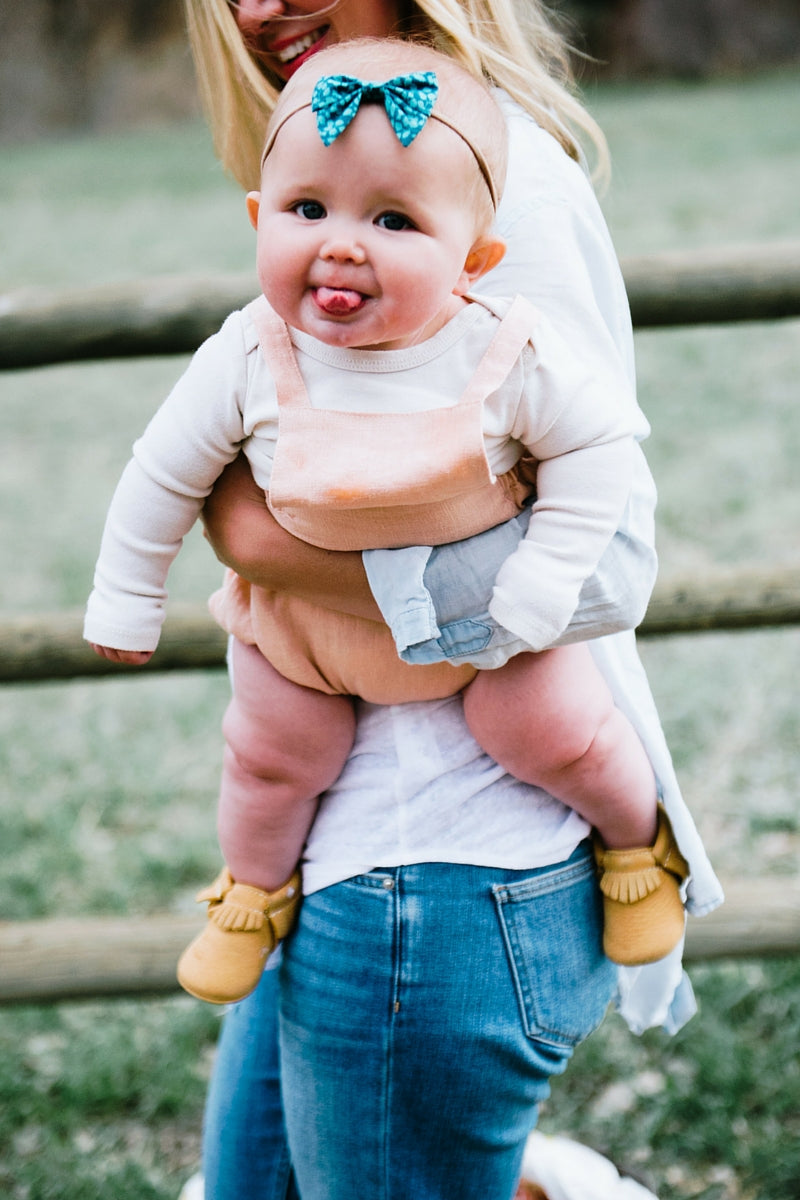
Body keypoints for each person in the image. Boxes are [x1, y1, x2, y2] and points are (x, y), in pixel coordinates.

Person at [172, 2, 724, 1198]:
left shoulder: (496, 177)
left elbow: (609, 554)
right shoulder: (334, 166)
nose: (259, 4)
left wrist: (257, 535)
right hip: (337, 858)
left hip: (440, 880)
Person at [84, 40, 687, 1015]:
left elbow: (599, 452)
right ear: (256, 218)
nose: (340, 243)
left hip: (484, 637)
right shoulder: (249, 348)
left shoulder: (499, 348)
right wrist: (126, 590)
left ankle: (631, 845)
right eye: (305, 210)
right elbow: (163, 468)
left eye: (393, 219)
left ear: (473, 260)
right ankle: (251, 889)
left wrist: (540, 578)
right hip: (302, 631)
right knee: (269, 751)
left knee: (556, 730)